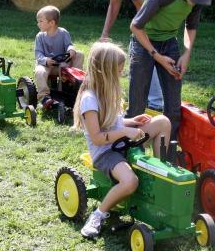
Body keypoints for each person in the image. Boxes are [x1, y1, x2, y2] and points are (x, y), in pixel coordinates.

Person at [73, 42, 171, 238]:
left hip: (121, 142)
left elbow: (112, 122)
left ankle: (162, 173)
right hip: (106, 153)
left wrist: (131, 122)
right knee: (130, 182)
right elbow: (98, 138)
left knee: (162, 122)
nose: (120, 74)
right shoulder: (89, 99)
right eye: (118, 71)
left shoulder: (108, 91)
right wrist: (126, 131)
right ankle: (98, 215)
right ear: (104, 71)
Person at [126, 0, 214, 142]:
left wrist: (186, 53)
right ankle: (131, 147)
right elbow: (135, 26)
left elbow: (191, 27)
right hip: (144, 43)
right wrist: (157, 57)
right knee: (137, 104)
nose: (195, 0)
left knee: (174, 107)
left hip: (169, 42)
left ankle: (168, 151)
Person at [97, 0, 163, 111]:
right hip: (149, 14)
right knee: (142, 54)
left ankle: (155, 103)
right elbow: (114, 3)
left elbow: (144, 10)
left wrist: (141, 36)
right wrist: (105, 34)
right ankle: (154, 101)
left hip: (159, 17)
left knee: (142, 54)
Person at [34, 5, 84, 107]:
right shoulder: (40, 36)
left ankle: (75, 83)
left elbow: (69, 44)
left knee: (79, 54)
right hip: (47, 65)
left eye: (40, 21)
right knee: (39, 71)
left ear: (51, 23)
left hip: (62, 64)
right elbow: (38, 53)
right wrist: (45, 60)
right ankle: (44, 97)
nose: (38, 24)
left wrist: (71, 50)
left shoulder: (63, 33)